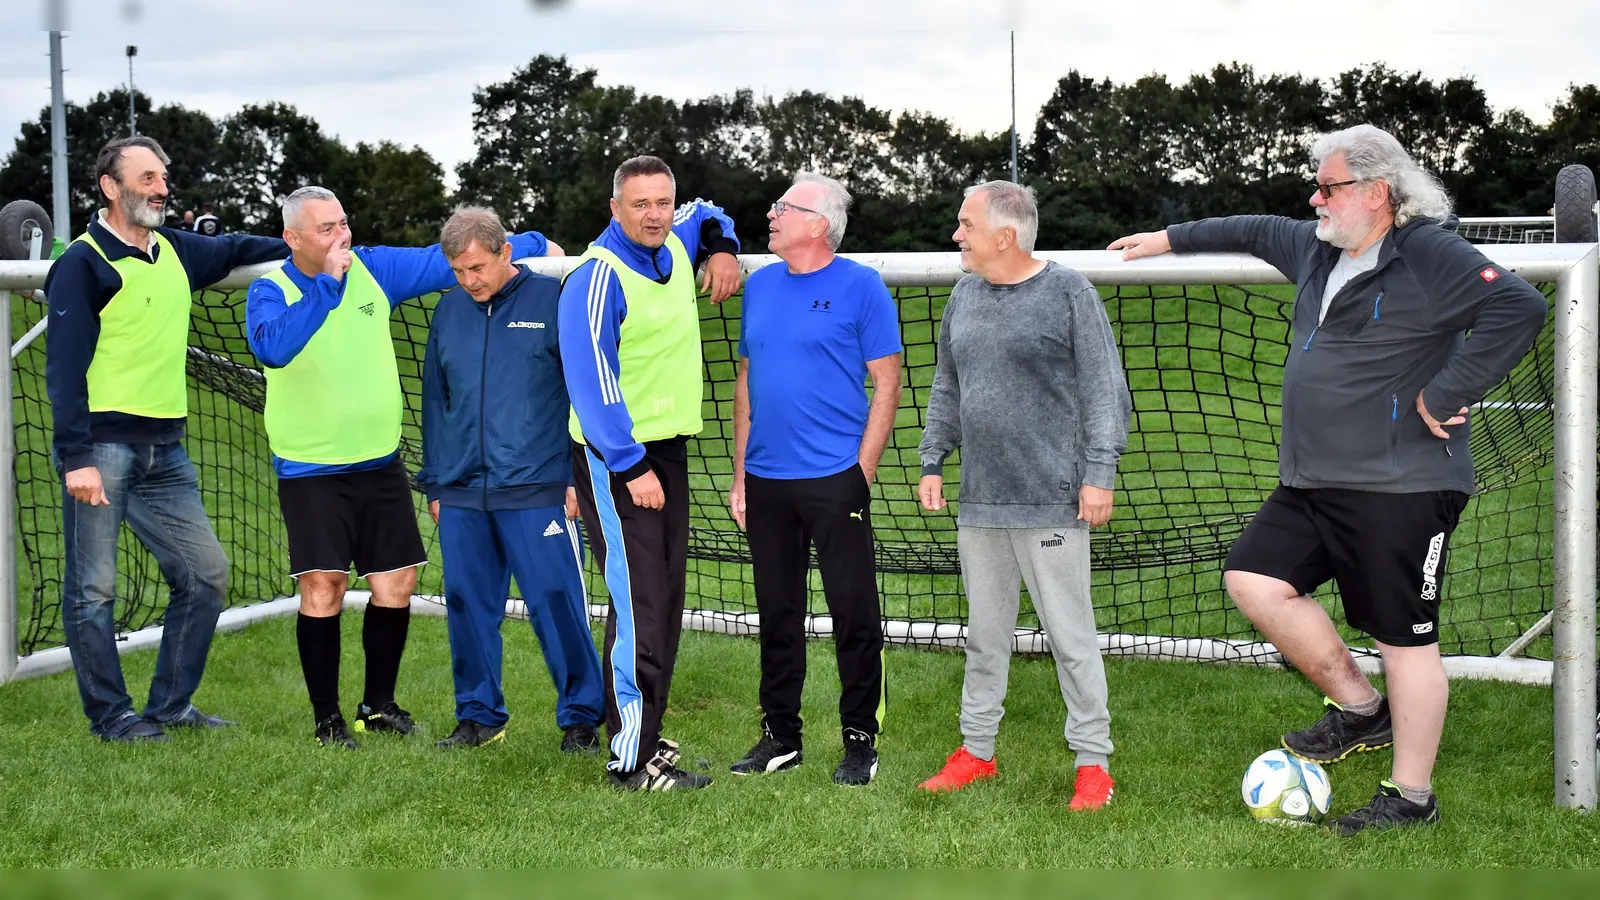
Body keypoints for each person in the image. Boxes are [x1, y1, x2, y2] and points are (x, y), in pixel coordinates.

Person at [1109, 123, 1548, 834]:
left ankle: (1411, 798)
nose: (1315, 199)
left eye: (1329, 187)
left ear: (1377, 193)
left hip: (1400, 485)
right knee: (1253, 581)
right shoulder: (1315, 247)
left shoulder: (1427, 250)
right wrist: (1163, 239)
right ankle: (1361, 709)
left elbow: (1520, 306)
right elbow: (1250, 227)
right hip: (1310, 481)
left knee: (1407, 643)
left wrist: (1449, 388)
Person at [245, 186, 559, 749]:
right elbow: (274, 349)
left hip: (380, 462)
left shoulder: (374, 268)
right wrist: (328, 287)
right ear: (293, 238)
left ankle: (378, 704)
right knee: (325, 587)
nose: (341, 235)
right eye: (326, 229)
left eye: (343, 223)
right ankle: (327, 719)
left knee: (397, 582)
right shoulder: (272, 290)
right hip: (311, 468)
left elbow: (448, 256)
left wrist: (538, 243)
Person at [43, 135, 289, 742]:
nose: (161, 188)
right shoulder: (82, 263)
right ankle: (112, 716)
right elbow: (63, 368)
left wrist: (305, 239)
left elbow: (233, 248)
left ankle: (170, 706)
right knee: (93, 590)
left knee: (206, 575)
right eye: (148, 178)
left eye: (163, 177)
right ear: (110, 186)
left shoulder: (174, 249)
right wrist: (76, 457)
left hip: (166, 452)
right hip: (101, 449)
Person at [916, 180, 1131, 812]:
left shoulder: (1068, 293)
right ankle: (976, 751)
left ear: (1004, 235)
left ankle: (1093, 765)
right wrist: (933, 459)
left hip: (1055, 499)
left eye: (966, 224)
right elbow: (947, 386)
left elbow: (1104, 391)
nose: (957, 234)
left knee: (1071, 636)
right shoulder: (963, 295)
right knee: (985, 636)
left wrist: (1099, 474)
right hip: (981, 502)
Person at [558, 154, 742, 791]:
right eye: (639, 204)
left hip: (667, 450)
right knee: (639, 605)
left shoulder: (674, 241)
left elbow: (710, 210)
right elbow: (591, 382)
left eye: (662, 203)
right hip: (619, 457)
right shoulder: (596, 277)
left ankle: (643, 731)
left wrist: (720, 246)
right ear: (615, 208)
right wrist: (631, 465)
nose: (654, 215)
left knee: (661, 597)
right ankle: (631, 762)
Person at [726, 172, 900, 786]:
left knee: (853, 611)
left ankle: (860, 740)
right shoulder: (761, 285)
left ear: (818, 224)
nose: (770, 213)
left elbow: (887, 383)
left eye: (783, 207)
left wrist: (863, 472)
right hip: (767, 480)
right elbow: (747, 381)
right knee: (776, 612)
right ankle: (780, 735)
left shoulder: (862, 287)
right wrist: (741, 472)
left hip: (835, 479)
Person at [418, 206, 605, 753]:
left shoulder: (553, 301)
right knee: (467, 603)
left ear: (506, 253)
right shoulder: (449, 311)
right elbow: (436, 400)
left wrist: (576, 475)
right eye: (458, 271)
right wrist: (436, 481)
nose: (469, 281)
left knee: (556, 599)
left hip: (539, 485)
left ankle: (580, 717)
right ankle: (478, 715)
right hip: (461, 491)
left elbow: (583, 396)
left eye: (477, 267)